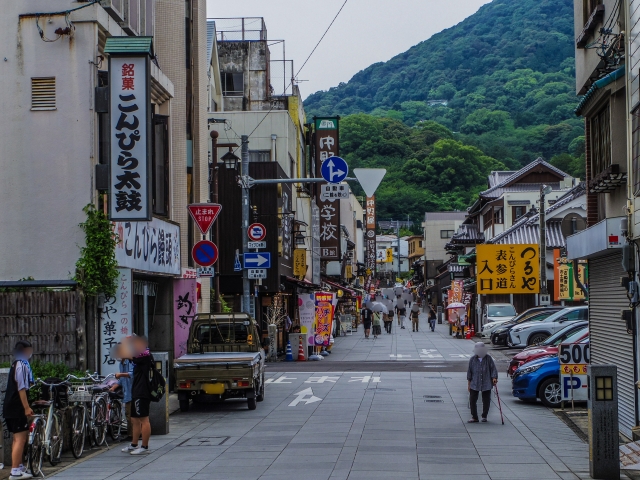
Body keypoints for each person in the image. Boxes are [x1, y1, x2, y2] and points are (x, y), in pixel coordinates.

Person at [3, 340, 35, 479]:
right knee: (19, 439)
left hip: (12, 406)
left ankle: (19, 467)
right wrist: (26, 407)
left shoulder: (18, 364)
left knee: (19, 438)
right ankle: (15, 471)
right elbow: (21, 388)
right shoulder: (20, 365)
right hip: (16, 407)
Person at [122, 336, 154, 455]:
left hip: (142, 391)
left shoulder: (145, 355)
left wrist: (126, 342)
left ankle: (144, 446)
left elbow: (127, 354)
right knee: (134, 419)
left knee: (144, 419)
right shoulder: (140, 356)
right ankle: (134, 444)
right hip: (136, 391)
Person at [467, 342, 498, 423]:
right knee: (472, 400)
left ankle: (484, 416)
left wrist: (494, 377)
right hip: (475, 382)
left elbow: (493, 369)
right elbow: (469, 372)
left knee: (486, 400)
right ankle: (474, 417)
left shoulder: (488, 358)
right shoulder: (472, 359)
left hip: (486, 381)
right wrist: (469, 384)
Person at [111, 343, 134, 439]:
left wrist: (120, 375)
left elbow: (132, 374)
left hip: (133, 392)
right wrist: (114, 387)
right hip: (127, 393)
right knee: (129, 414)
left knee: (130, 415)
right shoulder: (122, 363)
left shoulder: (130, 361)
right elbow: (121, 380)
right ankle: (132, 435)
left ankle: (132, 435)